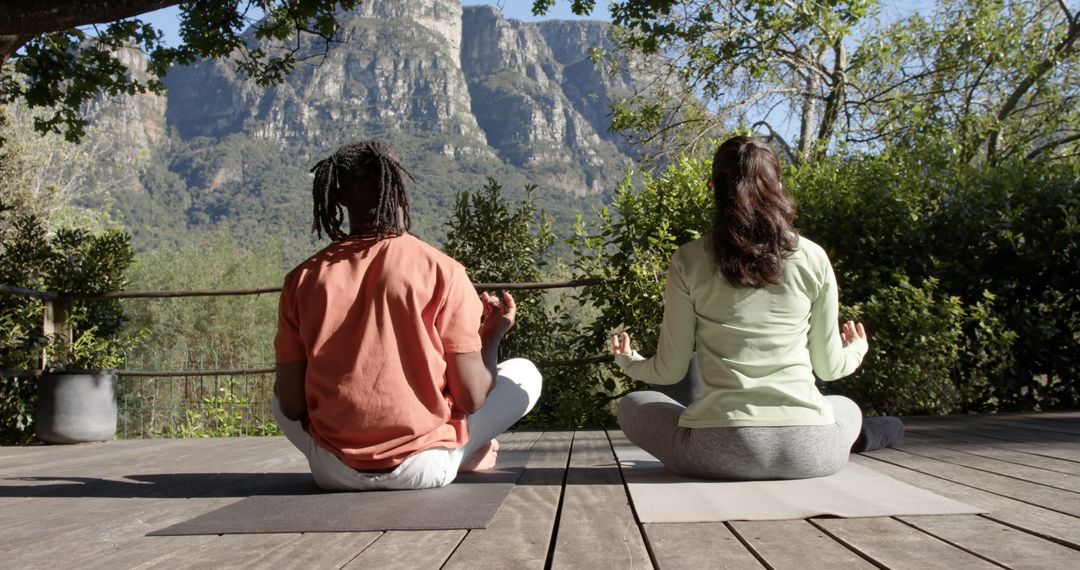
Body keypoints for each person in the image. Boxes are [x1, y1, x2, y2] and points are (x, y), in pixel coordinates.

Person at [611, 135, 901, 481]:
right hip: (810, 452)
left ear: (715, 187)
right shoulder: (813, 257)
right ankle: (865, 435)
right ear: (777, 184)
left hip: (719, 451)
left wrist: (627, 361)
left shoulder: (688, 259)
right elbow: (830, 366)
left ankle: (855, 435)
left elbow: (670, 372)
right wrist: (857, 348)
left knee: (631, 405)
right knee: (846, 407)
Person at [273, 140, 542, 491]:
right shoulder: (442, 269)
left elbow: (292, 406)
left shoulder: (302, 279)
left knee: (280, 391)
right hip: (423, 467)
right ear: (398, 191)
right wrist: (491, 334)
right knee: (525, 373)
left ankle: (460, 451)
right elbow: (471, 398)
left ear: (336, 197)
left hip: (333, 471)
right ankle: (463, 451)